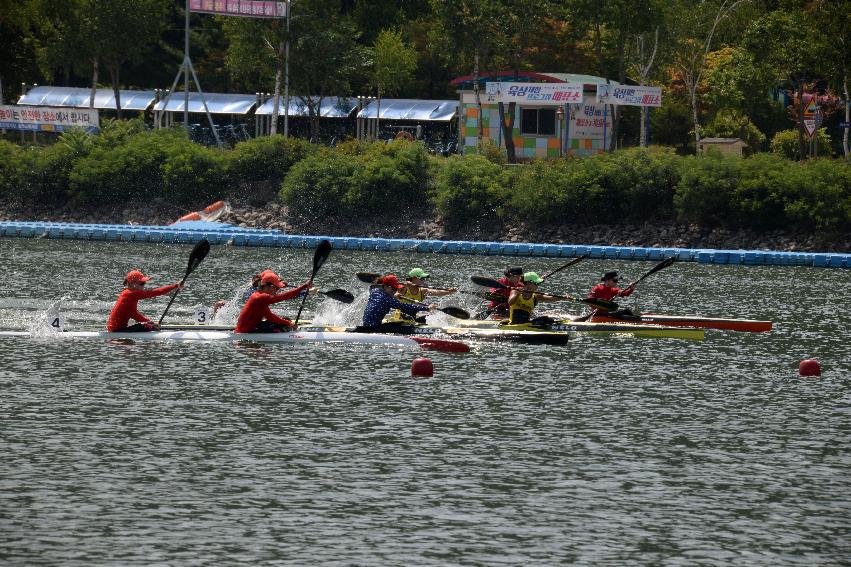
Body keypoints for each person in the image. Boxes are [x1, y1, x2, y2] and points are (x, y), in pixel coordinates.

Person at [234, 271, 314, 333]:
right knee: (283, 324)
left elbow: (269, 316)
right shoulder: (261, 297)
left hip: (247, 329)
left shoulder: (258, 295)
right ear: (271, 287)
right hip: (246, 332)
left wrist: (287, 322)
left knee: (285, 320)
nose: (276, 291)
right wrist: (304, 286)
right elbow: (284, 296)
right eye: (276, 288)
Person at [107, 270, 182, 332]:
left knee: (147, 326)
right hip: (117, 330)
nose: (144, 286)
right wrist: (174, 286)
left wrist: (150, 322)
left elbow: (134, 314)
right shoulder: (130, 294)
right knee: (147, 327)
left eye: (144, 283)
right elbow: (154, 292)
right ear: (132, 284)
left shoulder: (127, 293)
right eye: (142, 283)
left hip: (116, 329)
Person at [359, 274, 435, 332]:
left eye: (396, 289)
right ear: (386, 287)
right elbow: (405, 306)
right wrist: (427, 308)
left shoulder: (374, 291)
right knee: (405, 324)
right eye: (394, 289)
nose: (395, 291)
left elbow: (374, 288)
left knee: (399, 322)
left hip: (367, 325)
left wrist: (394, 295)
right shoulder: (388, 299)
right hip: (373, 329)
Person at [390, 268, 457, 323]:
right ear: (414, 278)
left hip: (412, 318)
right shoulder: (403, 288)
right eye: (422, 279)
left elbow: (437, 292)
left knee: (435, 317)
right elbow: (390, 293)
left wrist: (449, 291)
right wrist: (396, 295)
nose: (424, 281)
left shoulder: (422, 291)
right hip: (400, 319)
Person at [506, 272, 571, 325]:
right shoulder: (515, 291)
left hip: (526, 324)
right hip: (513, 324)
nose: (538, 286)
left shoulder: (536, 296)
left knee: (548, 320)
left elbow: (551, 298)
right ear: (529, 283)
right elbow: (510, 303)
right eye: (536, 283)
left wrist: (562, 298)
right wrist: (517, 294)